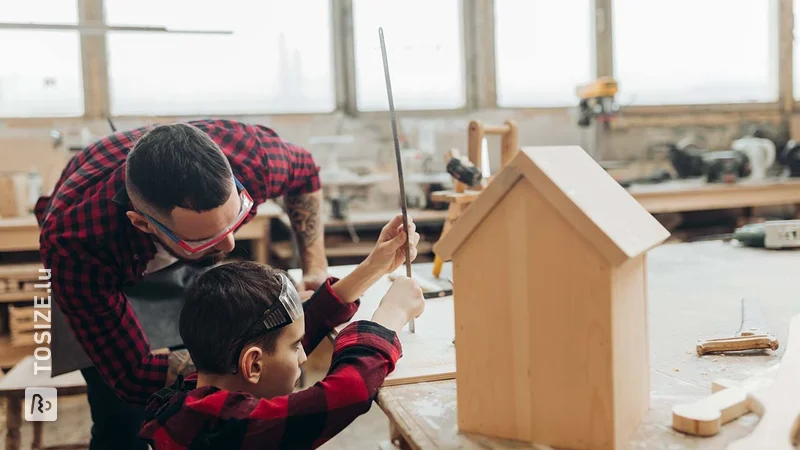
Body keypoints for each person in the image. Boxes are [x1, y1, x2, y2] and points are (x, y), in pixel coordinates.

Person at [35, 120, 331, 449]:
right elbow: (133, 375)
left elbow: (305, 171)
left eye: (234, 218)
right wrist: (242, 365)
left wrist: (315, 267)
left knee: (202, 416)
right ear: (142, 223)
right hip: (106, 268)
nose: (230, 246)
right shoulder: (76, 245)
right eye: (205, 238)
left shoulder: (251, 155)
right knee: (122, 421)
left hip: (164, 254)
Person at [139, 215, 425, 449]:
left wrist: (374, 267)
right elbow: (348, 392)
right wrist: (390, 317)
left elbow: (284, 332)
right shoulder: (230, 430)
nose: (303, 356)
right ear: (253, 364)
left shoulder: (191, 398)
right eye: (296, 346)